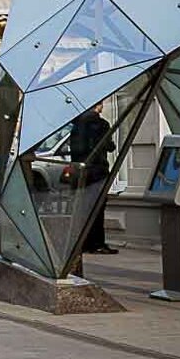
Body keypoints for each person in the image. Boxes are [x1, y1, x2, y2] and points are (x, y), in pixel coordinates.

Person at [71, 100, 117, 256]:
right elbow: (109, 146)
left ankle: (84, 242)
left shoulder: (77, 124)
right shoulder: (101, 124)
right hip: (97, 170)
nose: (103, 107)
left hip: (80, 170)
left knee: (84, 207)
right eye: (102, 104)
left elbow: (76, 148)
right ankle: (97, 243)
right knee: (98, 207)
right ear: (97, 105)